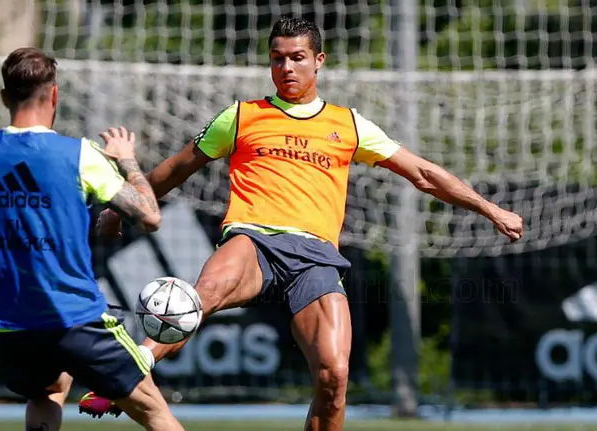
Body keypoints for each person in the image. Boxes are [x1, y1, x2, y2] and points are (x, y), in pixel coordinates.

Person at [80, 15, 524, 430]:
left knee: (334, 376)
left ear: (318, 61)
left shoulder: (348, 124)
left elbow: (424, 174)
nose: (286, 67)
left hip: (315, 258)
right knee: (201, 295)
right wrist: (122, 207)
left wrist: (492, 209)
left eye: (296, 58)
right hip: (254, 239)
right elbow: (176, 169)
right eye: (277, 58)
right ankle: (124, 373)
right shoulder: (241, 116)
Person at [0, 47, 185, 431]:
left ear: (3, 97)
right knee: (155, 412)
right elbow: (150, 215)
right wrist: (125, 158)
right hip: (73, 317)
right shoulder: (79, 155)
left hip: (9, 323)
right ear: (55, 95)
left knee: (48, 392)